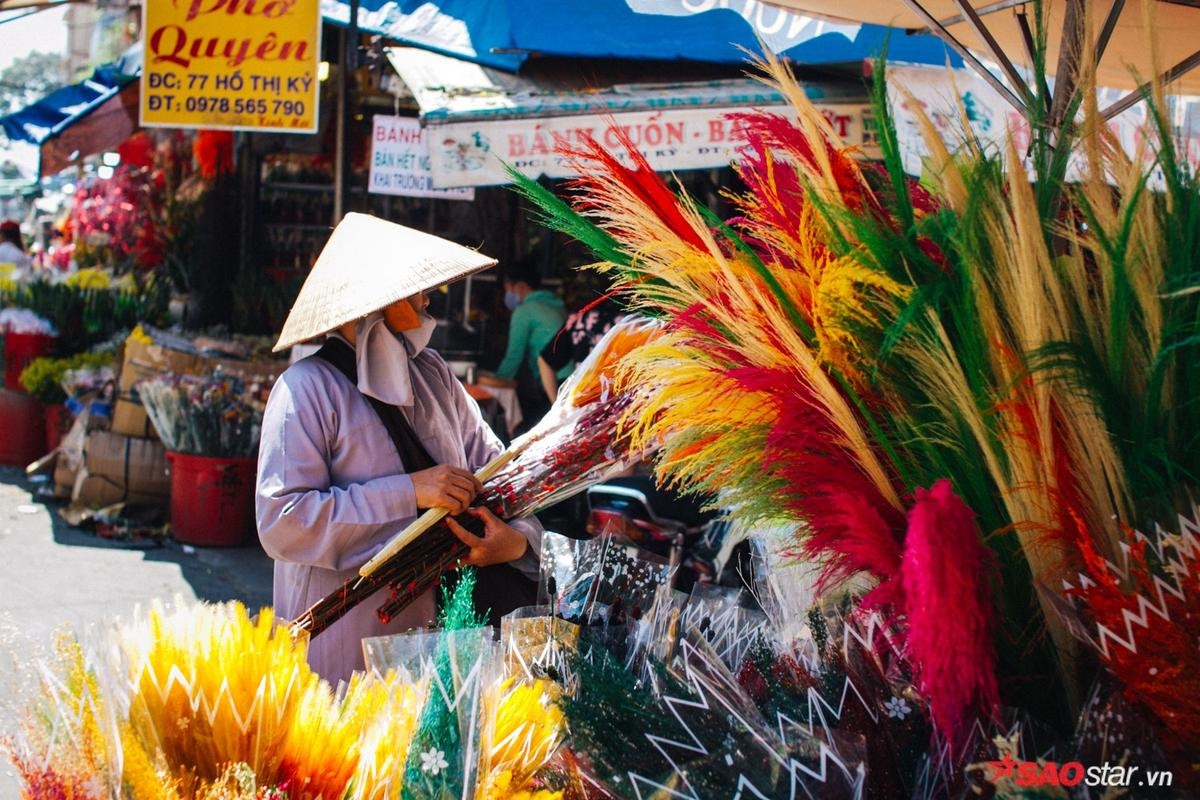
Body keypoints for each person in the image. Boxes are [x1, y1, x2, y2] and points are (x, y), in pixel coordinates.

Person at [256, 213, 542, 684]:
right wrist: (408, 492)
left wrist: (516, 542)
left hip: (446, 639)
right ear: (378, 299)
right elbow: (283, 523)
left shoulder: (433, 375)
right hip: (345, 642)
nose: (428, 298)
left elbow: (502, 473)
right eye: (415, 288)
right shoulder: (305, 389)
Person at [479, 258, 565, 427]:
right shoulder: (556, 304)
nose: (506, 296)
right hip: (571, 375)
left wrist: (498, 382)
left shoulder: (524, 311)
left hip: (552, 381)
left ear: (520, 287)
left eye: (507, 289)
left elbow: (514, 356)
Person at [537, 295, 626, 403]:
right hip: (628, 406)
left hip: (586, 406)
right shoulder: (639, 317)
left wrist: (556, 405)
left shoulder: (579, 318)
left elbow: (545, 361)